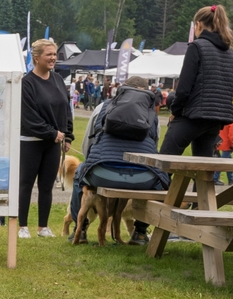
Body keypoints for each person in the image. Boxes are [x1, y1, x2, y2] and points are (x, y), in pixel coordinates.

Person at [68, 76, 169, 245]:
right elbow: (153, 153)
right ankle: (140, 232)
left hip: (102, 173)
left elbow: (88, 146)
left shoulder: (102, 107)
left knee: (80, 173)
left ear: (122, 90)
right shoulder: (153, 115)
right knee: (161, 181)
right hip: (143, 178)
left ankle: (81, 229)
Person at [160, 5, 233, 159]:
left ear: (199, 24)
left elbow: (184, 88)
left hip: (193, 116)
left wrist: (175, 111)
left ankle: (161, 183)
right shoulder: (230, 53)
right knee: (202, 172)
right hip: (215, 120)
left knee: (163, 162)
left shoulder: (197, 47)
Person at [18, 38, 74, 239]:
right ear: (36, 58)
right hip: (30, 142)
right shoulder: (26, 83)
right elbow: (28, 117)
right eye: (48, 54)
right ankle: (22, 226)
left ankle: (43, 227)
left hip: (54, 143)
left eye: (54, 54)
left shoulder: (58, 80)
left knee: (46, 186)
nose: (53, 58)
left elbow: (66, 110)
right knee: (25, 184)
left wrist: (67, 136)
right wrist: (52, 132)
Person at [214, 120, 233, 185]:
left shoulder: (227, 119)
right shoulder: (232, 122)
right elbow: (232, 135)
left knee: (228, 161)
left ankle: (231, 179)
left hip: (222, 142)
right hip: (228, 145)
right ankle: (215, 178)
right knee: (222, 162)